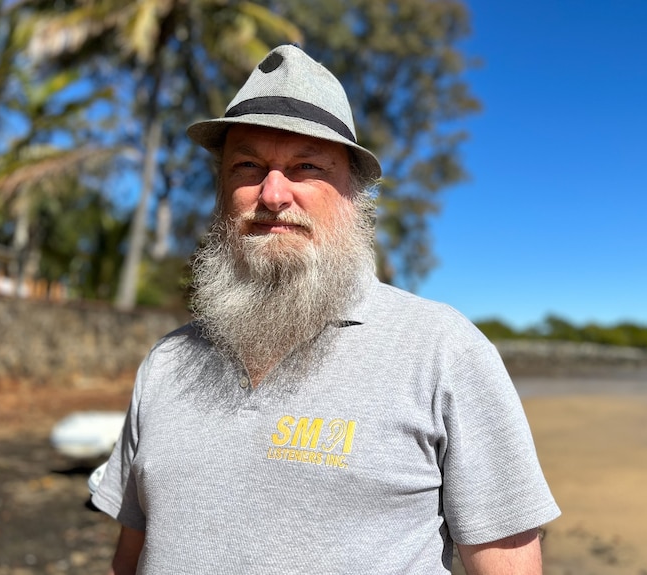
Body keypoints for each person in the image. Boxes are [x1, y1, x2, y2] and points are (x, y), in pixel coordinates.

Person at [92, 44, 560, 575]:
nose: (272, 194)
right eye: (247, 165)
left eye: (306, 166)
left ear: (352, 193)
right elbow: (129, 557)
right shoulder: (168, 362)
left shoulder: (443, 350)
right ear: (222, 189)